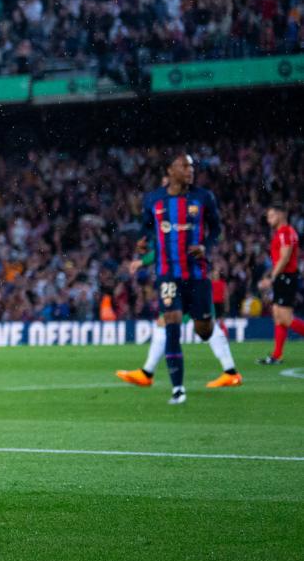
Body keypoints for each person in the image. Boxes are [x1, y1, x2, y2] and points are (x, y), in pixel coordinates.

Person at [115, 154, 239, 403]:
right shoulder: (154, 199)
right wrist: (142, 242)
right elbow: (146, 227)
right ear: (170, 170)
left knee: (204, 329)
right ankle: (178, 389)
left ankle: (229, 370)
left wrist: (205, 246)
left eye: (191, 167)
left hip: (197, 274)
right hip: (168, 274)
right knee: (171, 324)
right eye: (184, 166)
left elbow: (216, 229)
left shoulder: (204, 197)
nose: (190, 170)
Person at [257, 202, 302, 364]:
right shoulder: (284, 232)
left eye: (272, 216)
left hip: (286, 277)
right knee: (277, 315)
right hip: (283, 277)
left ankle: (277, 355)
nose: (269, 219)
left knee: (286, 318)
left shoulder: (285, 232)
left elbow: (285, 257)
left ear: (281, 214)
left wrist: (272, 278)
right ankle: (277, 355)